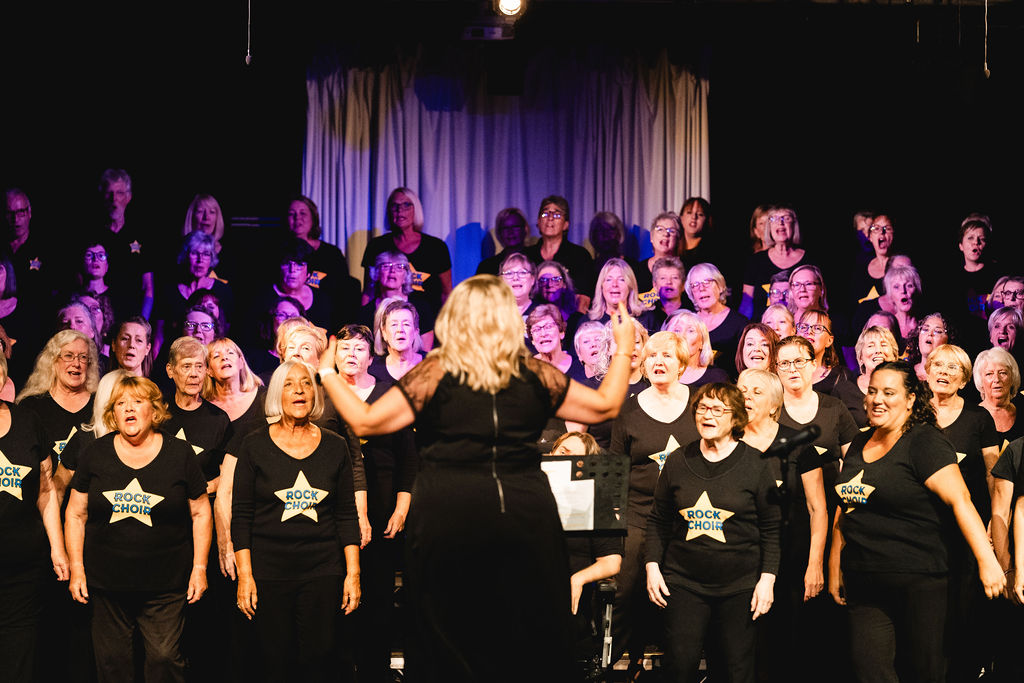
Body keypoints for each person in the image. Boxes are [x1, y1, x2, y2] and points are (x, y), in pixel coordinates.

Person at [314, 274, 636, 682]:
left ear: (455, 318)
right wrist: (623, 349)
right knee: (521, 632)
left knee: (449, 633)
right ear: (507, 319)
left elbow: (365, 420)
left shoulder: (435, 372)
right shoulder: (535, 373)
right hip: (522, 513)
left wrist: (326, 371)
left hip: (448, 513)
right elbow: (606, 405)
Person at [828, 361, 1005, 683]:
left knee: (923, 673)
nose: (877, 399)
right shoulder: (858, 443)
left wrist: (987, 561)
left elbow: (961, 501)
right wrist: (833, 564)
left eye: (889, 392)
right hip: (864, 579)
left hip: (920, 580)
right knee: (870, 670)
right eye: (872, 391)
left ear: (910, 399)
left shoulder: (924, 441)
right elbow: (845, 507)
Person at [65, 375, 212, 683]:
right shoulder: (95, 453)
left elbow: (200, 511)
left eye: (137, 402)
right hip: (107, 583)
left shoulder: (180, 453)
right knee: (112, 663)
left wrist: (199, 567)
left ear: (154, 410)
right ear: (112, 414)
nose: (129, 409)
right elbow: (75, 514)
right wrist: (77, 568)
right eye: (121, 404)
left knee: (164, 659)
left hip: (166, 584)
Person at [231, 360, 361, 680]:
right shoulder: (254, 444)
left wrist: (353, 574)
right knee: (275, 661)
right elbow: (242, 515)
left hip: (322, 568)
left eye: (305, 383)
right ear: (277, 394)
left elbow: (346, 513)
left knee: (319, 658)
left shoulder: (336, 445)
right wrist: (245, 576)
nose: (299, 390)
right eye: (289, 384)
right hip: (269, 570)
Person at [646, 382, 781, 683]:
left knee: (735, 672)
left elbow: (771, 528)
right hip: (684, 583)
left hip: (740, 587)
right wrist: (652, 567)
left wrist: (767, 580)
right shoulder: (679, 461)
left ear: (736, 418)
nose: (707, 415)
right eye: (702, 408)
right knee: (680, 667)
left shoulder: (755, 465)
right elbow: (658, 519)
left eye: (718, 410)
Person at [609, 330, 699, 676]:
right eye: (651, 357)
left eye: (667, 357)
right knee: (625, 587)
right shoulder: (627, 411)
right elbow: (615, 473)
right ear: (643, 364)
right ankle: (614, 663)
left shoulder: (699, 403)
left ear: (682, 364)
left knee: (683, 593)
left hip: (687, 517)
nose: (658, 362)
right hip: (637, 515)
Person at [334, 325, 417, 683]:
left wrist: (401, 508)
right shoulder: (326, 394)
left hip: (384, 508)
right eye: (345, 347)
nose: (351, 354)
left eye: (359, 348)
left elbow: (408, 459)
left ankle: (375, 673)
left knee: (378, 598)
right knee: (338, 595)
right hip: (336, 511)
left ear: (372, 356)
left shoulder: (388, 393)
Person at [736, 368, 828, 682]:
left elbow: (818, 510)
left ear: (775, 403)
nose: (746, 396)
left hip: (791, 560)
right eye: (742, 390)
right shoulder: (725, 442)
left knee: (788, 648)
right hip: (742, 563)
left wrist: (815, 563)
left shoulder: (797, 445)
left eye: (756, 392)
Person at [925, 344, 1001, 681]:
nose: (942, 372)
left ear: (964, 380)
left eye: (952, 368)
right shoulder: (914, 414)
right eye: (937, 365)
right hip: (923, 529)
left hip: (967, 527)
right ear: (926, 371)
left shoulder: (977, 418)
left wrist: (993, 522)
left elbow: (993, 474)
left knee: (964, 606)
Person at [0, 350, 70, 683]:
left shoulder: (28, 421)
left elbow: (45, 490)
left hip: (23, 565)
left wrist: (57, 547)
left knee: (20, 655)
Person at [544, 431, 624, 681]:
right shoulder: (527, 493)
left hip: (567, 603)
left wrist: (577, 579)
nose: (565, 460)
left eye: (575, 458)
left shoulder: (596, 499)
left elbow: (612, 561)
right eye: (562, 452)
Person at [16, 330, 100, 504]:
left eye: (83, 357)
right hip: (41, 505)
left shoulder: (101, 405)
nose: (76, 363)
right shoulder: (31, 406)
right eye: (68, 356)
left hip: (89, 507)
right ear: (53, 361)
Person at [361, 187, 453, 310]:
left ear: (416, 210)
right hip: (387, 319)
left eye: (406, 205)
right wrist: (363, 321)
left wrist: (445, 326)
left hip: (429, 321)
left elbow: (446, 293)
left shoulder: (436, 247)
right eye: (395, 206)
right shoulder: (377, 246)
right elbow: (369, 290)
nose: (400, 210)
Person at [90, 168, 155, 319]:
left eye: (119, 193)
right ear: (102, 196)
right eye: (109, 193)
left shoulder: (141, 235)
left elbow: (148, 288)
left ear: (128, 197)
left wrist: (142, 323)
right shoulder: (92, 235)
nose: (114, 199)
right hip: (99, 316)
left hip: (131, 316)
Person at [155, 231, 233, 357]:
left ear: (211, 259)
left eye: (206, 254)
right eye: (194, 253)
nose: (200, 260)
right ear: (185, 256)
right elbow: (159, 332)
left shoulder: (223, 291)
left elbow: (227, 331)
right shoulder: (169, 291)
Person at [284, 195, 360, 313]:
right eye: (291, 214)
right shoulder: (279, 252)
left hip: (326, 312)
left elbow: (343, 289)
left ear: (313, 218)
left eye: (303, 213)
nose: (297, 218)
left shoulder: (331, 254)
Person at [524, 195, 596, 311]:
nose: (550, 218)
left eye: (557, 215)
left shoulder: (579, 255)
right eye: (545, 214)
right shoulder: (526, 256)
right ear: (538, 221)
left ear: (566, 224)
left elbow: (583, 300)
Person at [741, 204, 810, 320]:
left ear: (794, 225)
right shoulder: (755, 261)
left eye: (786, 218)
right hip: (764, 330)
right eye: (774, 219)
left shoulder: (809, 261)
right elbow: (746, 303)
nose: (781, 223)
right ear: (769, 227)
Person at [358, 251, 436, 349]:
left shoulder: (421, 307)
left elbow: (426, 348)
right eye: (386, 266)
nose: (392, 271)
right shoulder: (365, 312)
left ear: (405, 276)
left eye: (399, 267)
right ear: (377, 273)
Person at [256, 238, 336, 331]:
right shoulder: (262, 298)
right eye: (287, 263)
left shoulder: (322, 299)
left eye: (299, 264)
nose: (292, 270)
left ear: (308, 273)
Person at [685, 262, 748, 378]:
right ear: (691, 293)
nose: (701, 288)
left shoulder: (740, 323)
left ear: (720, 286)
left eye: (707, 282)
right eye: (695, 285)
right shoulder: (686, 323)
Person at [662, 310, 730, 388]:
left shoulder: (717, 379)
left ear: (702, 342)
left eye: (690, 331)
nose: (682, 336)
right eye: (677, 330)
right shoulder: (654, 375)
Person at [588, 257, 654, 331]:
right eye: (609, 279)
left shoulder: (647, 319)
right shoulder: (588, 322)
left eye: (621, 279)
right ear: (601, 286)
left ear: (630, 286)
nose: (615, 284)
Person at [975, 347, 1024, 446]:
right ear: (981, 381)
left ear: (1012, 377)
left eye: (1002, 373)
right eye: (989, 374)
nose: (996, 379)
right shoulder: (972, 418)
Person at [852, 326, 900, 426]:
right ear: (860, 357)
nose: (878, 350)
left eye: (884, 344)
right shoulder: (844, 391)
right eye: (870, 346)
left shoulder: (905, 389)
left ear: (894, 356)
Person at [369, 298, 425, 382]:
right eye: (394, 324)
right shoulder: (372, 371)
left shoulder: (431, 365)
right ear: (384, 333)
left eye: (406, 324)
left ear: (415, 332)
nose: (400, 329)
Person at [534, 260, 584, 341]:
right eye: (543, 280)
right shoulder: (531, 319)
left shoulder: (579, 319)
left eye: (555, 279)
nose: (549, 285)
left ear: (564, 284)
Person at [636, 212, 683, 294]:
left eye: (671, 231)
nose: (665, 234)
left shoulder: (686, 269)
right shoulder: (637, 271)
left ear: (678, 240)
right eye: (660, 229)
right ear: (651, 237)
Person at [476, 207, 531, 277]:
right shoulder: (486, 267)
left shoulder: (536, 258)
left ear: (525, 229)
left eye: (515, 227)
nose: (510, 232)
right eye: (505, 228)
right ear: (499, 233)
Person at [528, 303, 578, 375]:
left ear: (561, 333)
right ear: (532, 340)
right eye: (537, 329)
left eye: (548, 327)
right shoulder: (525, 370)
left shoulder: (581, 367)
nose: (543, 334)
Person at [906, 312, 953, 381]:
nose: (930, 334)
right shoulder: (904, 371)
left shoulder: (949, 378)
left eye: (937, 331)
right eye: (925, 329)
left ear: (948, 341)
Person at [677, 197, 718, 272]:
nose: (694, 217)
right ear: (681, 218)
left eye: (700, 214)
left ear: (707, 220)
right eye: (689, 212)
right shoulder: (673, 248)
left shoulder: (713, 251)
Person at [650, 256, 688, 331]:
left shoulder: (693, 314)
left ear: (683, 285)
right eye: (663, 278)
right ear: (655, 285)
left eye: (675, 278)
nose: (669, 282)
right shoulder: (648, 317)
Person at [500, 251, 538, 318]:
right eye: (509, 273)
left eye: (522, 273)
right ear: (502, 280)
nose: (515, 278)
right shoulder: (492, 313)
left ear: (532, 280)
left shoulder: (543, 312)